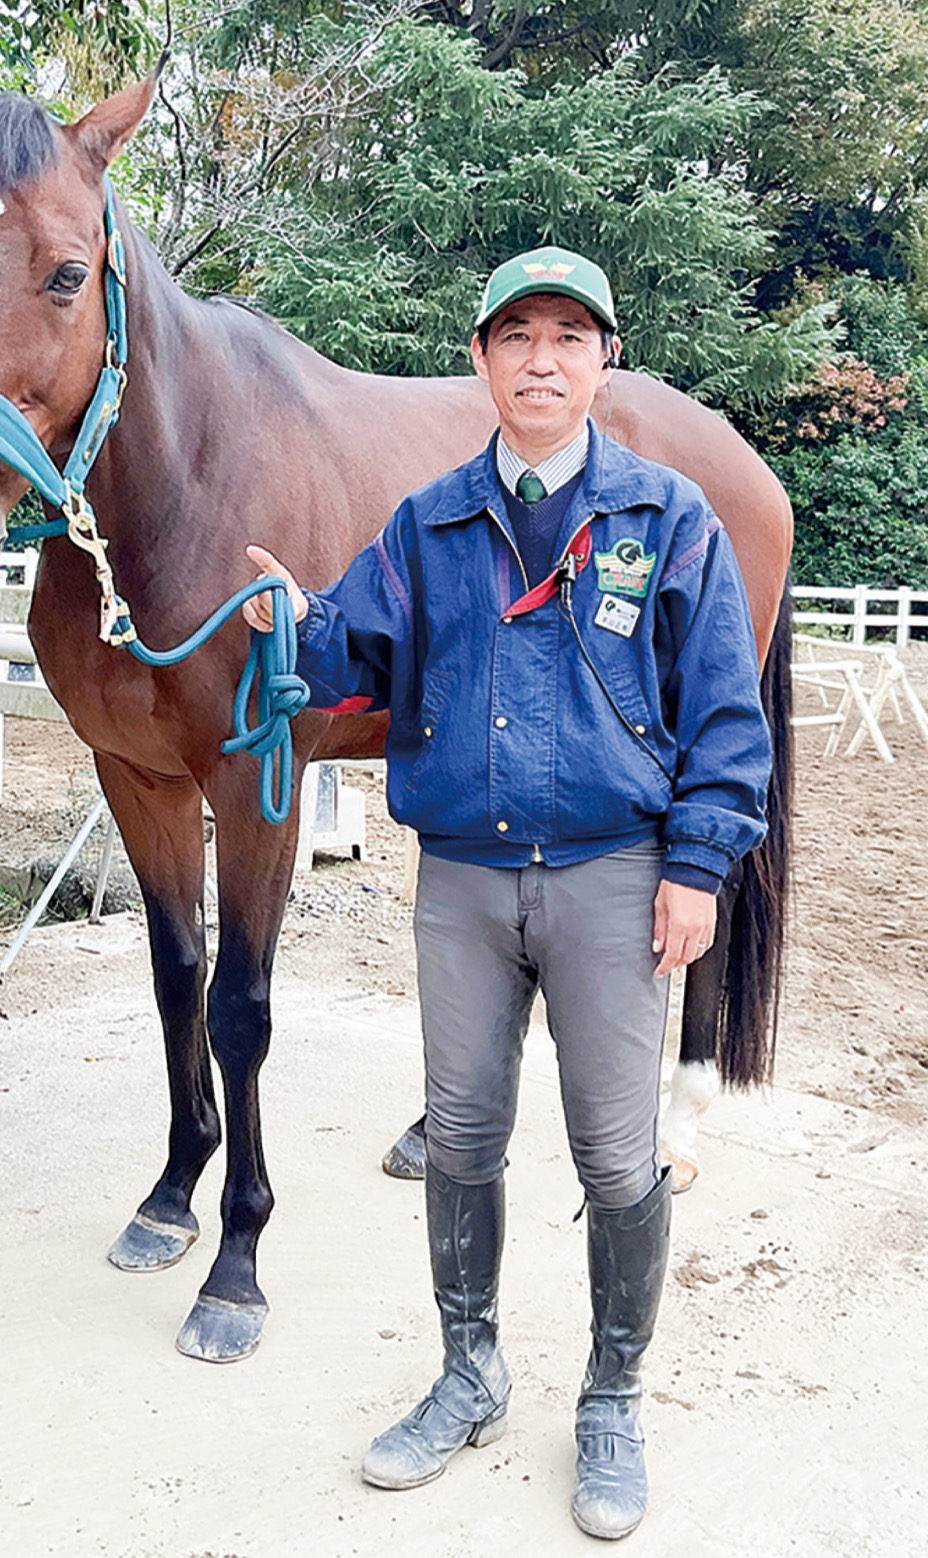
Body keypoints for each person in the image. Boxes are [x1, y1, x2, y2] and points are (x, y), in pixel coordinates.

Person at [242, 248, 771, 1540]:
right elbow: (348, 644)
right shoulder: (425, 526)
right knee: (464, 1138)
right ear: (480, 360)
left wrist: (699, 865)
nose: (542, 359)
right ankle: (470, 1371)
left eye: (569, 337)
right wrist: (284, 625)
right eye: (516, 336)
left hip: (611, 877)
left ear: (605, 362)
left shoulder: (668, 519)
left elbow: (725, 715)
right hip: (465, 883)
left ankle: (610, 1394)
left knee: (613, 1150)